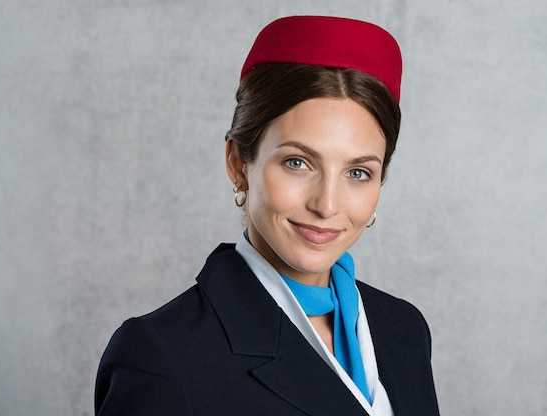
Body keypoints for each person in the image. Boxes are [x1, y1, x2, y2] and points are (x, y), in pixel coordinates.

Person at [95, 15, 440, 416]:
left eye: (358, 173)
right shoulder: (160, 356)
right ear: (239, 163)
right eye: (297, 163)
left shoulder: (403, 328)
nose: (327, 205)